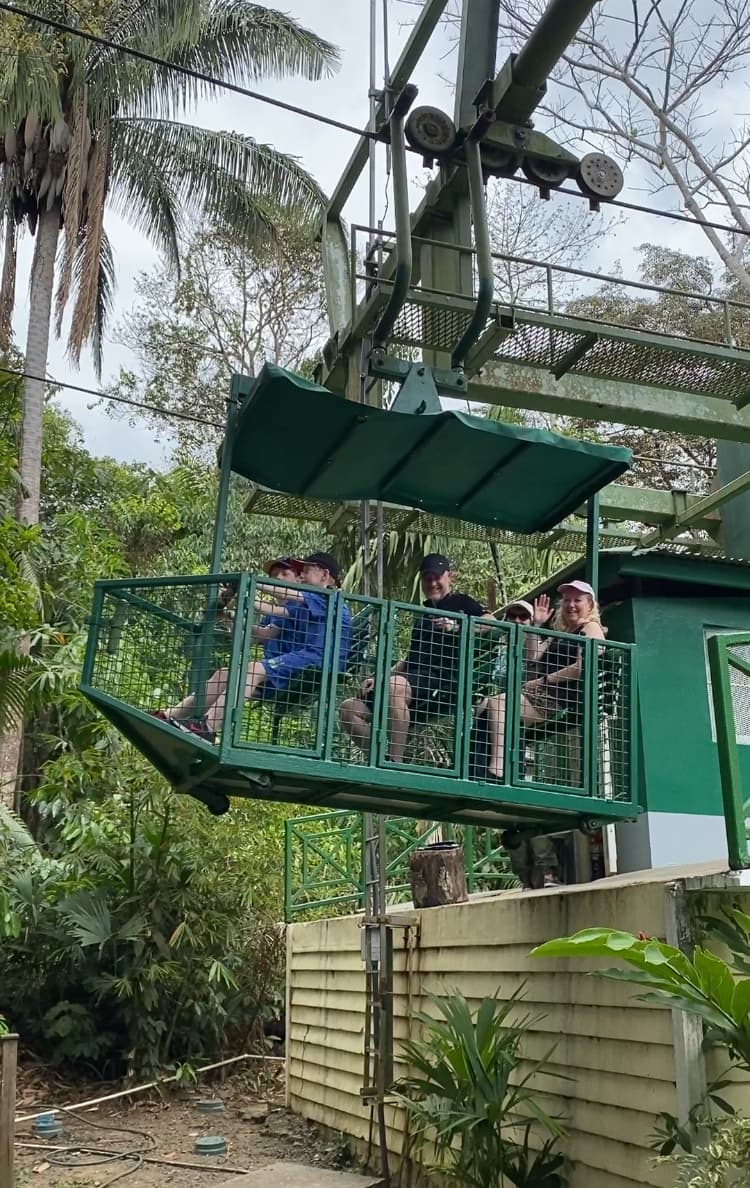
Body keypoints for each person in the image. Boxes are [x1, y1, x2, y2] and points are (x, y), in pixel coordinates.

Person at [156, 552, 349, 742]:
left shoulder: (328, 596)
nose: (303, 576)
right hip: (297, 666)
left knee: (255, 668)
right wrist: (236, 605)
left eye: (306, 571)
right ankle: (169, 716)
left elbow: (283, 594)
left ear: (324, 575)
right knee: (225, 674)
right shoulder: (306, 603)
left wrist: (247, 581)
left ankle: (207, 727)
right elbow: (268, 621)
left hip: (319, 662)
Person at [340, 554, 487, 763]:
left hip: (442, 682)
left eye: (437, 577)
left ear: (449, 577)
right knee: (349, 708)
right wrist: (380, 677)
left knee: (395, 686)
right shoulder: (423, 615)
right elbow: (410, 659)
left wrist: (457, 626)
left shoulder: (461, 602)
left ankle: (395, 762)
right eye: (428, 578)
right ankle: (378, 758)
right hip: (410, 683)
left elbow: (491, 621)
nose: (433, 583)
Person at [482, 579, 605, 782]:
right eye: (567, 600)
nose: (571, 605)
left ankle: (497, 770)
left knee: (498, 703)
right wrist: (537, 625)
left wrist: (545, 680)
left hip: (558, 699)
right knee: (483, 705)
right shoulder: (560, 634)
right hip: (538, 693)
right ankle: (479, 766)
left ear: (590, 604)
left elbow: (582, 668)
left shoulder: (591, 628)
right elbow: (533, 657)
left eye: (577, 600)